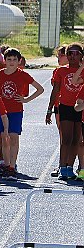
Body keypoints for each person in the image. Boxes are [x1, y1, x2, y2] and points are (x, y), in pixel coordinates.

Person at [0, 47, 44, 177]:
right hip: (2, 112)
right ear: (4, 60)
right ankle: (6, 165)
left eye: (14, 59)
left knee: (14, 138)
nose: (11, 62)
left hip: (16, 111)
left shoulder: (23, 75)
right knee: (4, 138)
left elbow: (40, 89)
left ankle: (12, 165)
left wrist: (26, 99)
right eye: (9, 59)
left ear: (19, 61)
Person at [47, 43, 84, 180]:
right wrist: (50, 109)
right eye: (70, 53)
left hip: (80, 107)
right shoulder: (61, 71)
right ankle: (62, 167)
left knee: (76, 139)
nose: (73, 56)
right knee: (66, 138)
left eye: (76, 53)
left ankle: (70, 167)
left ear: (81, 55)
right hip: (65, 106)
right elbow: (55, 90)